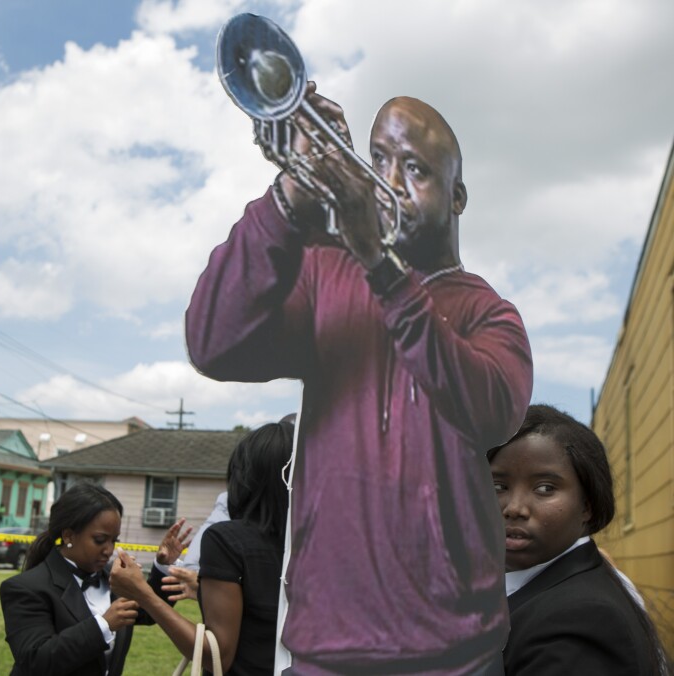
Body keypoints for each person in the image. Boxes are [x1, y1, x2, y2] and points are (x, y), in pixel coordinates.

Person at [185, 90, 533, 674]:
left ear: (459, 196)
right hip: (326, 648)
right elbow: (213, 342)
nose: (389, 181)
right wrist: (291, 193)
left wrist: (379, 263)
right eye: (379, 160)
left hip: (455, 656)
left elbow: (490, 411)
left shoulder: (491, 314)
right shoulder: (324, 277)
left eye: (416, 168)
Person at [487, 404, 670, 674]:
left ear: (587, 505)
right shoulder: (537, 587)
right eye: (498, 486)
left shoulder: (580, 622)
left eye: (545, 488)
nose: (514, 508)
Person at [111, 422, 294, 675]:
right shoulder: (317, 545)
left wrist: (143, 594)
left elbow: (217, 655)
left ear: (245, 476)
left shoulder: (227, 540)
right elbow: (266, 613)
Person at [0, 482, 191, 676]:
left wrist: (163, 567)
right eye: (100, 540)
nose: (109, 550)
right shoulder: (25, 588)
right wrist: (103, 625)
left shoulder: (115, 579)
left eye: (114, 540)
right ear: (68, 536)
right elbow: (36, 661)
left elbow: (149, 612)